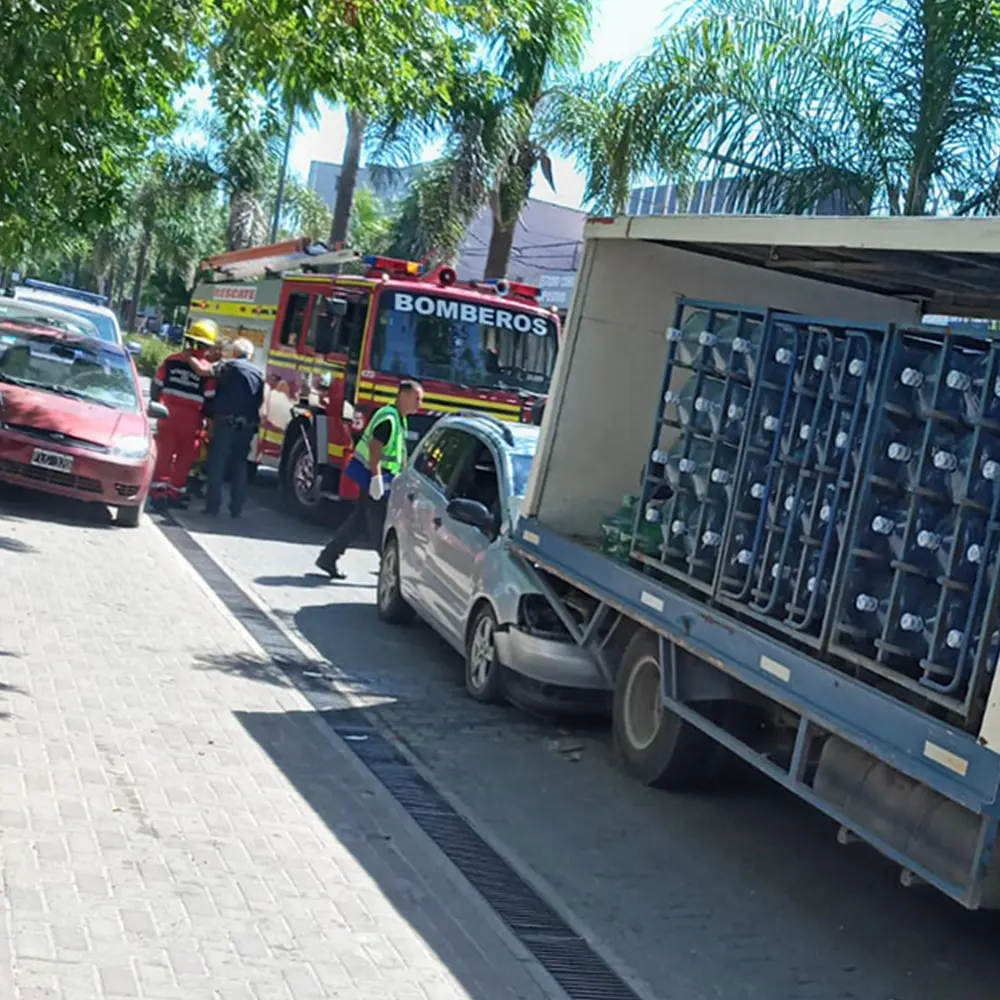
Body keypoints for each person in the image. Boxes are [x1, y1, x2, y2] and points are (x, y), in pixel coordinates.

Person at [315, 380, 424, 580]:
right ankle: (389, 570)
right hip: (373, 478)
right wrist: (376, 478)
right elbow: (375, 447)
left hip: (378, 478)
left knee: (358, 521)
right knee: (379, 526)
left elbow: (396, 452)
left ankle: (329, 557)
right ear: (404, 396)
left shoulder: (398, 417)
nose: (420, 404)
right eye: (417, 399)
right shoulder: (389, 419)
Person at [149, 320, 218, 511]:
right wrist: (208, 422)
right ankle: (174, 494)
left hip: (167, 413)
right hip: (191, 418)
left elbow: (157, 384)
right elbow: (210, 399)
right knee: (186, 456)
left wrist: (157, 404)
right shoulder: (207, 371)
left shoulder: (171, 360)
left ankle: (157, 493)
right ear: (205, 347)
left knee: (164, 453)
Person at [202, 337, 264, 518]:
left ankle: (212, 506)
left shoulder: (228, 366)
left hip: (226, 422)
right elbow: (260, 401)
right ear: (250, 355)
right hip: (247, 426)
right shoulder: (258, 374)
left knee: (217, 464)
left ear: (235, 353)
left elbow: (205, 373)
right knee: (240, 464)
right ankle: (236, 507)